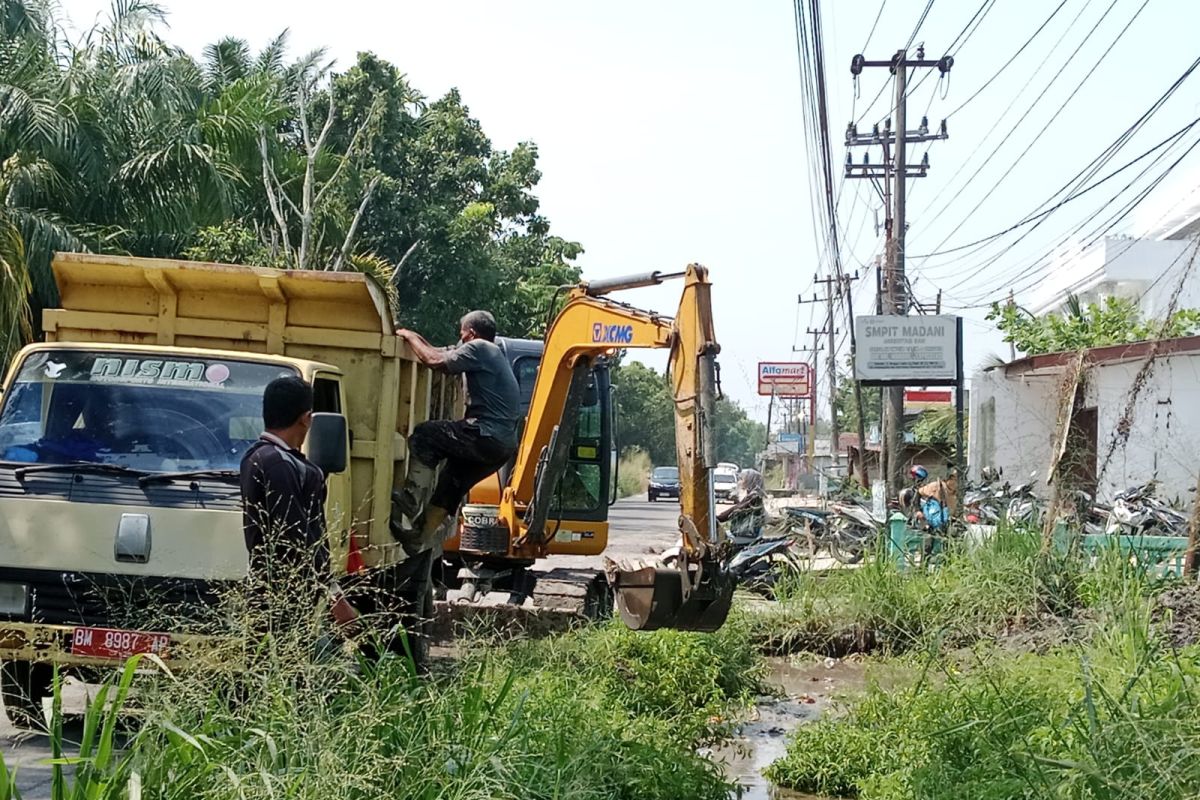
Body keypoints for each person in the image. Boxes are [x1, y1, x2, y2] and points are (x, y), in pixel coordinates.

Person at [392, 311, 521, 555]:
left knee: (425, 434)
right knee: (452, 481)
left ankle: (411, 498)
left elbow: (435, 361)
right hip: (502, 447)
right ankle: (418, 537)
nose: (459, 337)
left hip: (485, 434)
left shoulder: (479, 348)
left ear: (471, 333)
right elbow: (439, 351)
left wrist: (408, 335)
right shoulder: (493, 353)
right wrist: (410, 334)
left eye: (461, 333)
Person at [239, 376, 359, 636]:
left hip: (268, 592)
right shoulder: (279, 464)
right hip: (286, 597)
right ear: (306, 418)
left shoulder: (257, 456)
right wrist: (335, 596)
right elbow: (299, 537)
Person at [717, 468, 767, 540]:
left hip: (748, 533)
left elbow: (737, 508)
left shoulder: (754, 496)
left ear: (750, 481)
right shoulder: (752, 495)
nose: (739, 482)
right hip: (747, 532)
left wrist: (720, 518)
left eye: (741, 479)